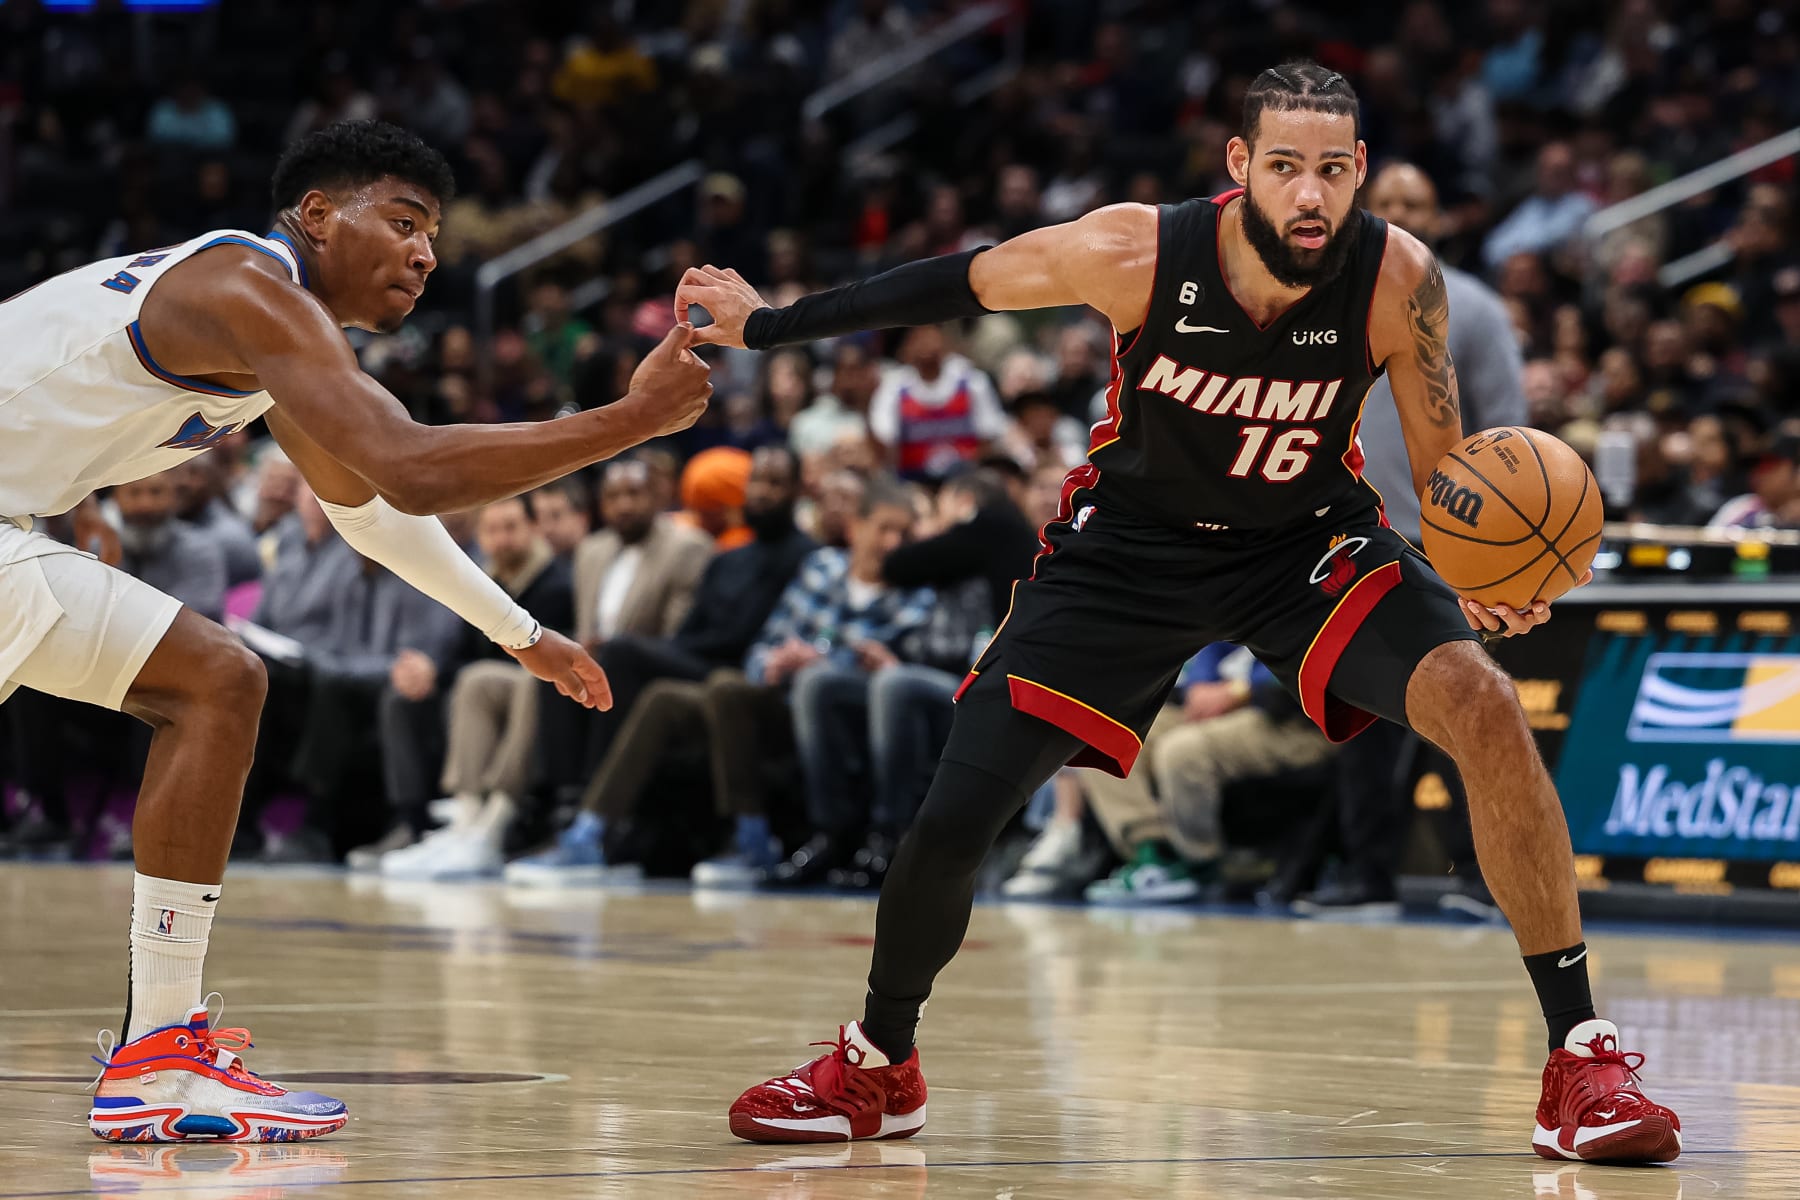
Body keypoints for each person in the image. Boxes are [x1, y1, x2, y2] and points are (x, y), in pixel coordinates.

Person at [677, 63, 1681, 1163]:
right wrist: (769, 327)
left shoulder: (1399, 280)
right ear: (1240, 166)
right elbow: (955, 283)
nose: (1312, 195)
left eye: (1334, 170)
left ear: (1359, 175)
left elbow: (1448, 487)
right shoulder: (1136, 251)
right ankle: (880, 1062)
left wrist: (1489, 577)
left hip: (1304, 544)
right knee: (956, 818)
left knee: (1484, 706)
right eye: (1287, 167)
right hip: (1128, 553)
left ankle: (1580, 1057)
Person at [0, 119, 710, 1143]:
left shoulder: (269, 334)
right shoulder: (248, 290)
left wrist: (520, 634)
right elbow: (413, 464)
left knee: (216, 680)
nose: (426, 253)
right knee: (218, 681)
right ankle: (156, 1055)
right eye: (406, 220)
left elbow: (372, 507)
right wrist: (629, 421)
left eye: (436, 236)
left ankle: (157, 1051)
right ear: (320, 216)